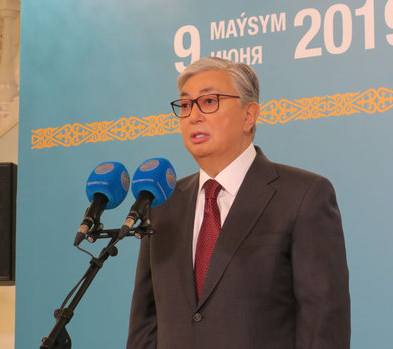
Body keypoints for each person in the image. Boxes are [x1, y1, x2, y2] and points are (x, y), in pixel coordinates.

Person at [127, 57, 350, 348]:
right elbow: (146, 322)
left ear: (249, 115)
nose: (193, 116)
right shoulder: (162, 203)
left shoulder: (303, 196)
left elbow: (323, 321)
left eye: (209, 101)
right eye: (185, 105)